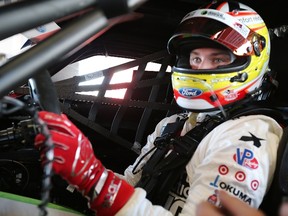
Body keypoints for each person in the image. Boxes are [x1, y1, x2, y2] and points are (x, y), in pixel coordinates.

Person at [34, 0, 284, 215]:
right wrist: (76, 171)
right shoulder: (173, 126)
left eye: (217, 59)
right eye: (195, 58)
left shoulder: (248, 135)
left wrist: (92, 177)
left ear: (250, 63)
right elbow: (135, 188)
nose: (199, 68)